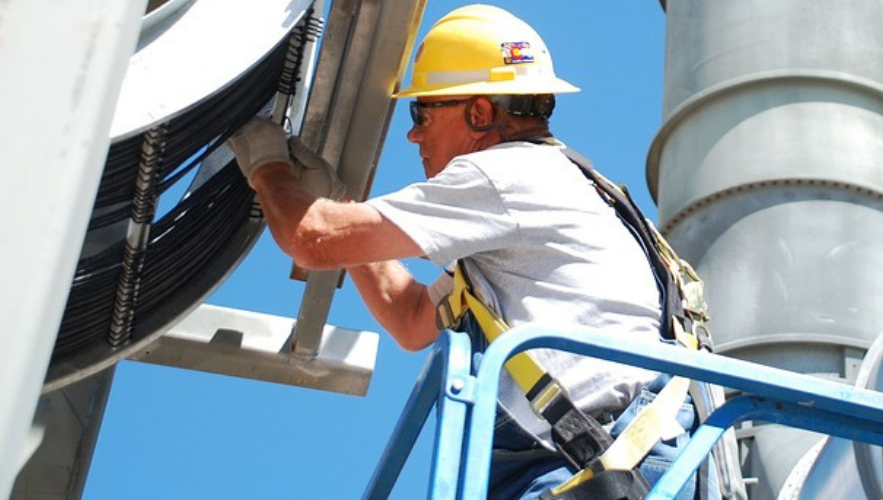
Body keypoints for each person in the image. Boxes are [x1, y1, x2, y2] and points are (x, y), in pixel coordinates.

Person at [225, 5, 723, 499]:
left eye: (422, 111)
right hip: (629, 464)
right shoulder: (546, 209)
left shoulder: (505, 175)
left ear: (480, 112)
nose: (413, 133)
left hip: (596, 465)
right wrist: (340, 202)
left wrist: (268, 167)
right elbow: (412, 317)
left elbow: (313, 238)